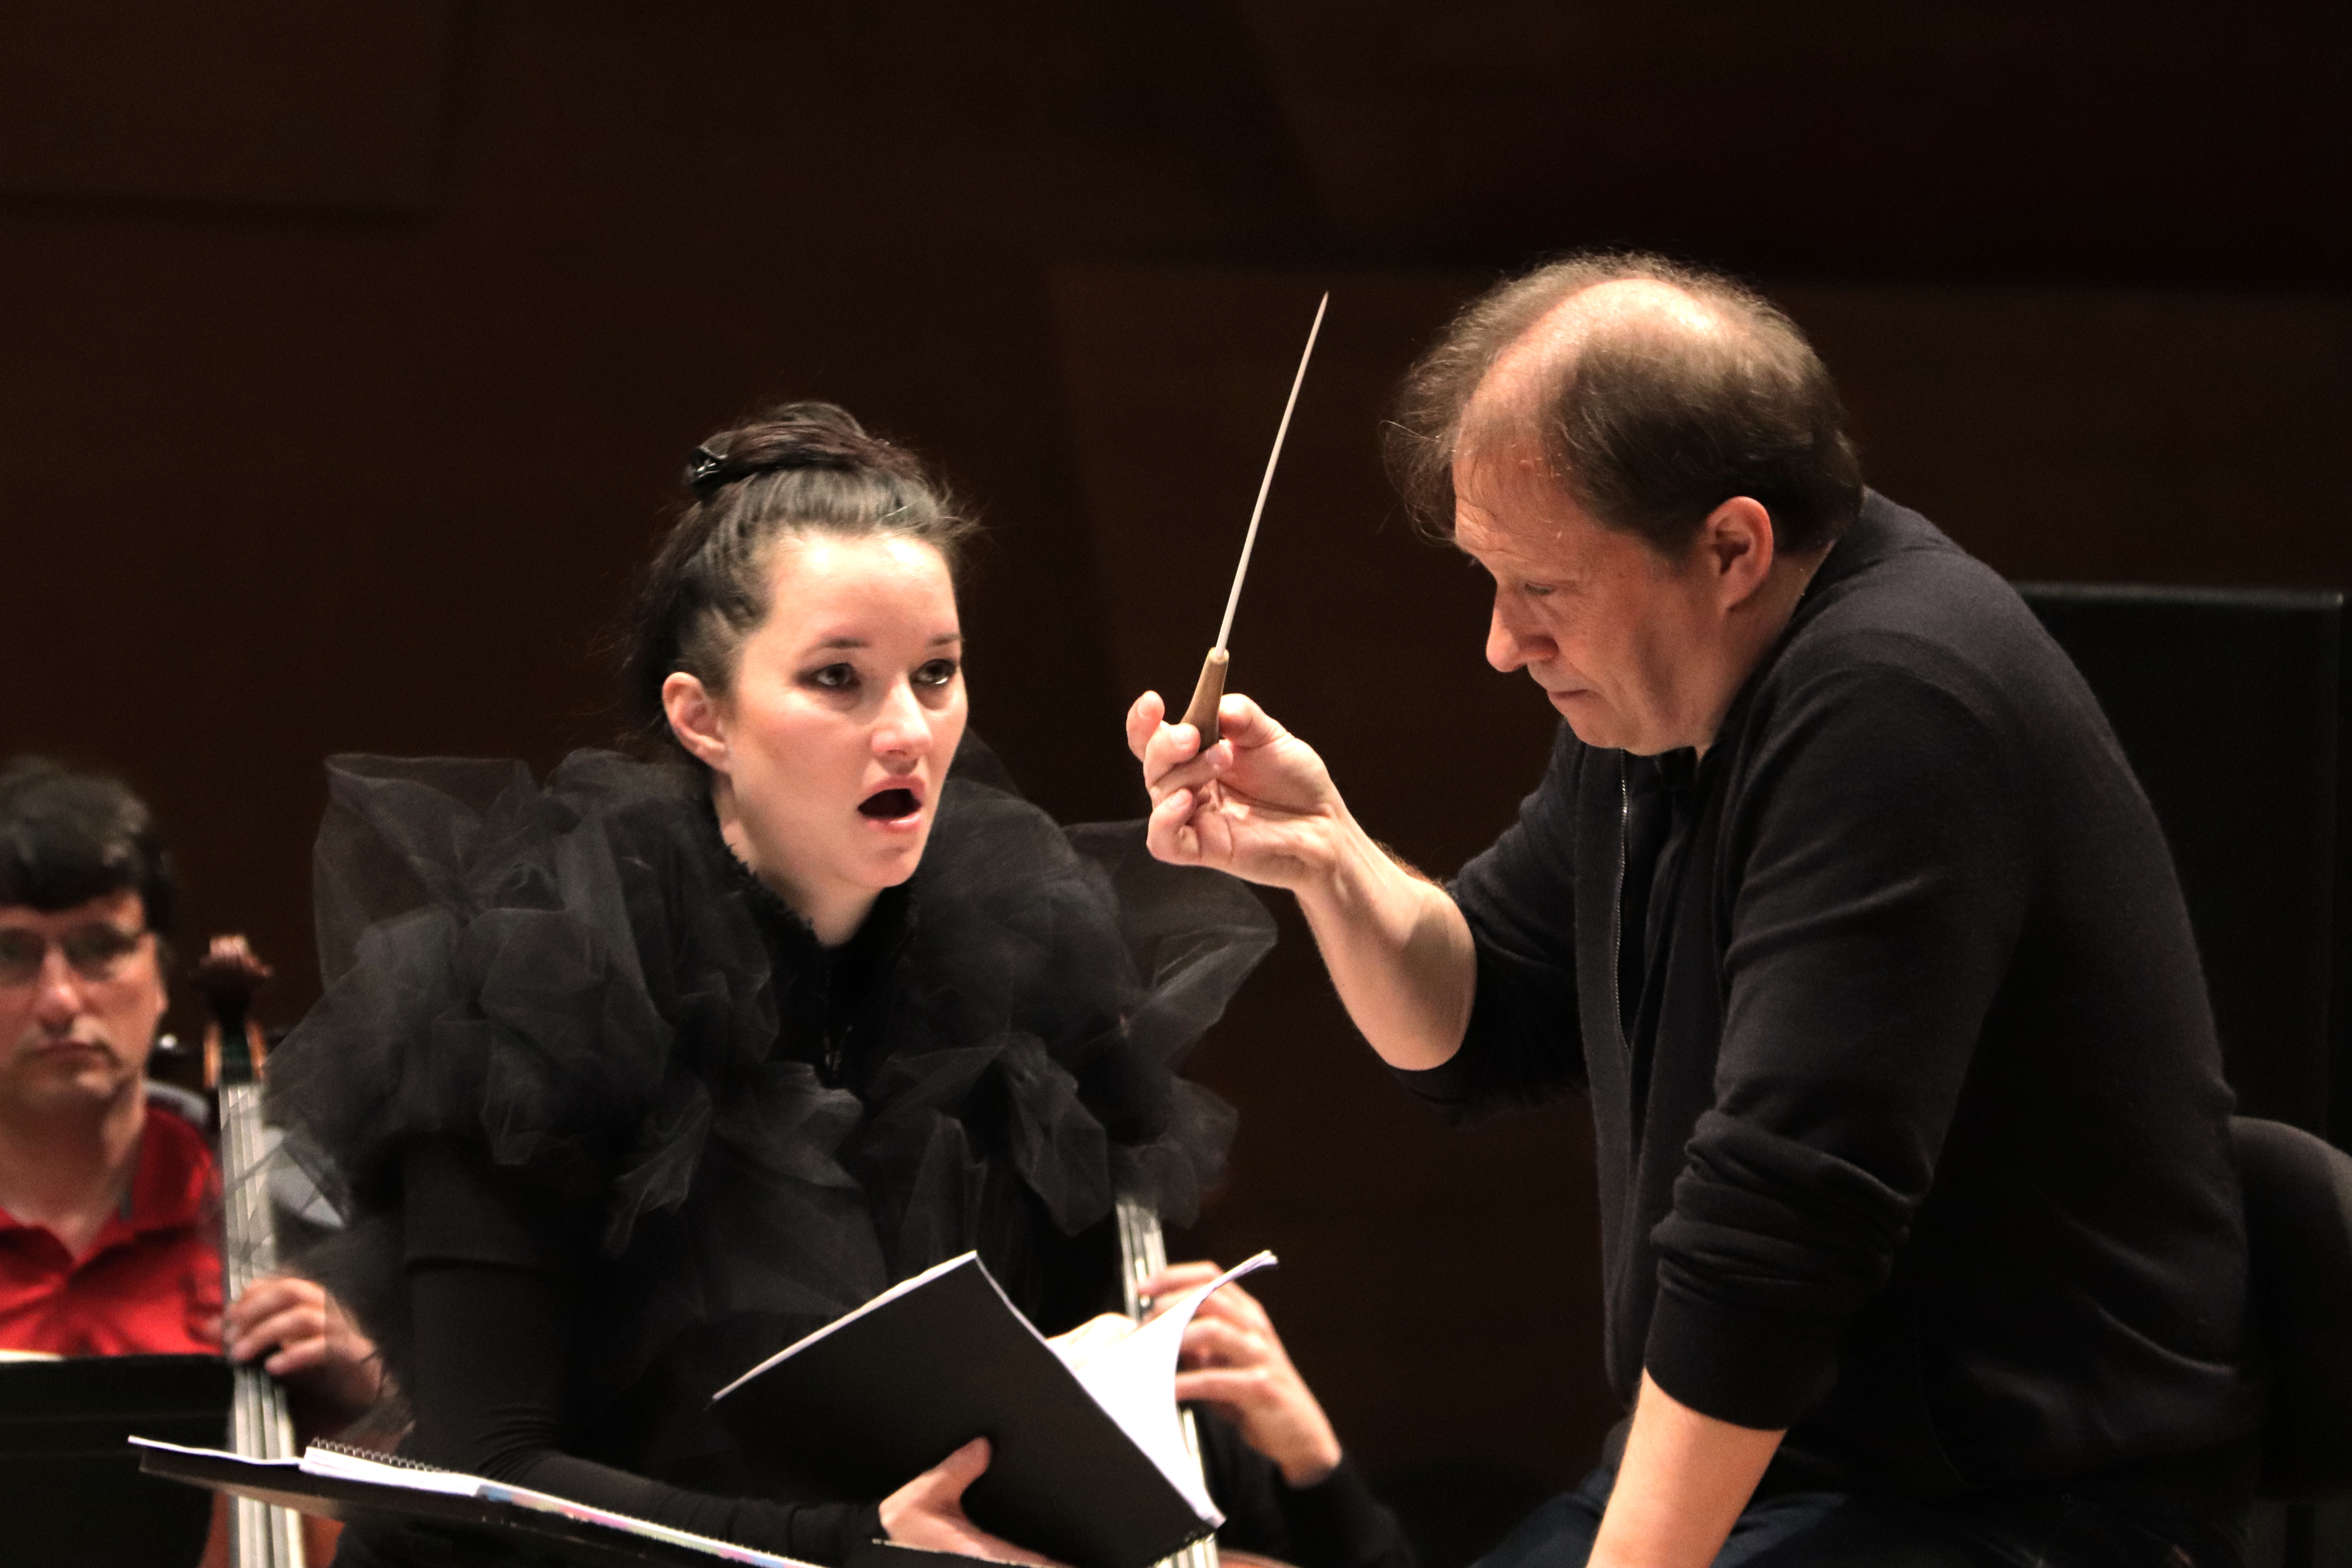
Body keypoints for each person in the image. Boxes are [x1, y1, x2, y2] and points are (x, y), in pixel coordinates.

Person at [1129, 254, 2258, 1568]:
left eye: (1540, 591)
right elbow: (1482, 1012)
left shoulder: (1896, 706)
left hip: (2012, 1507)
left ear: (1730, 546)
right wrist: (1326, 852)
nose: (1501, 644)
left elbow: (1781, 1222)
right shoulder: (1668, 695)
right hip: (1801, 1465)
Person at [270, 402, 1409, 1568]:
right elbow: (483, 1467)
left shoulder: (1024, 977)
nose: (907, 730)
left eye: (938, 673)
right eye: (838, 679)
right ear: (701, 717)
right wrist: (851, 1545)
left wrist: (1138, 1370)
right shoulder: (526, 984)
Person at [0, 756, 381, 1420]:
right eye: (10, 953)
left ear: (161, 976)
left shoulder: (296, 1222)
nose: (59, 998)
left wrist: (373, 1395)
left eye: (99, 947)